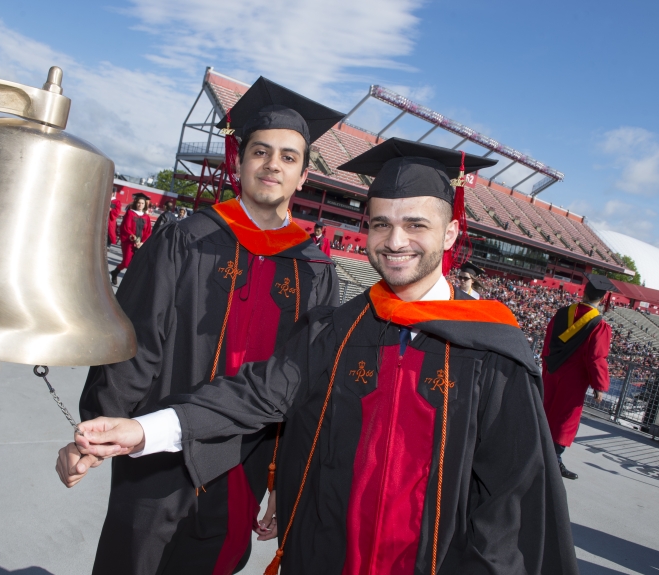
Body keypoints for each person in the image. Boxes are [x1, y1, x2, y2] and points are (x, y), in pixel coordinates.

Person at [63, 139, 578, 575]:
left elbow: (510, 505)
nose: (395, 241)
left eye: (417, 225)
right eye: (381, 224)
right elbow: (256, 393)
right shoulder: (342, 328)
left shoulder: (492, 351)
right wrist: (144, 429)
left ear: (450, 233)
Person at [58, 77, 343, 575]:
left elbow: (306, 391)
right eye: (261, 151)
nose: (273, 164)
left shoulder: (315, 272)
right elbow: (134, 346)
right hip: (155, 457)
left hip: (246, 464)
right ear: (239, 163)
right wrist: (97, 430)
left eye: (289, 157)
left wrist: (284, 481)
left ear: (302, 179)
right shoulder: (184, 241)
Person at [541, 273, 613, 480]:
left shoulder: (562, 313)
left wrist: (547, 367)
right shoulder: (598, 324)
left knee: (547, 411)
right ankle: (553, 461)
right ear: (602, 298)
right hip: (574, 379)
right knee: (564, 418)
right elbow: (596, 357)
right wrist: (599, 385)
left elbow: (547, 342)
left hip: (553, 372)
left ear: (584, 292)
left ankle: (542, 454)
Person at [110, 194, 152, 285]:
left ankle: (127, 281)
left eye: (142, 203)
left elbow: (148, 232)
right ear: (136, 203)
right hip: (129, 242)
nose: (140, 205)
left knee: (136, 264)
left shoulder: (146, 217)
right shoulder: (130, 213)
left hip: (140, 243)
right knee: (126, 263)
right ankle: (116, 272)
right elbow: (125, 227)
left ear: (145, 205)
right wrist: (132, 236)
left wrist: (142, 242)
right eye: (139, 203)